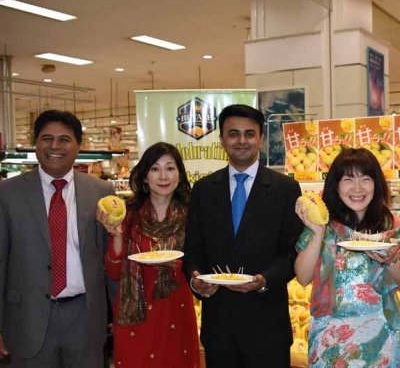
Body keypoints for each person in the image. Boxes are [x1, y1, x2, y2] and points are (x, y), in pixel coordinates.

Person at [183, 104, 303, 367]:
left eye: (249, 134)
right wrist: (195, 280)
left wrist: (264, 279)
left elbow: (292, 251)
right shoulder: (203, 190)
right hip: (219, 327)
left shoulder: (286, 189)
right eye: (233, 134)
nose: (242, 141)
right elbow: (192, 249)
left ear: (260, 138)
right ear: (222, 139)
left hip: (268, 326)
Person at [0, 110, 114, 367]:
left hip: (85, 317)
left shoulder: (101, 191)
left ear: (78, 145)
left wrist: (118, 313)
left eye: (64, 139)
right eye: (47, 138)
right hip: (27, 318)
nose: (55, 146)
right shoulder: (7, 194)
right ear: (35, 142)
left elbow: (110, 258)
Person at [294, 148, 400, 367]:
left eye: (366, 179)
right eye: (348, 179)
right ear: (336, 186)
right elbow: (302, 277)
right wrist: (318, 232)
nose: (358, 188)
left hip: (380, 335)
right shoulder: (322, 224)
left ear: (377, 185)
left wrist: (390, 260)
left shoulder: (395, 227)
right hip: (330, 335)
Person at [97, 142, 199, 367]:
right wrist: (116, 235)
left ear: (180, 175)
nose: (163, 176)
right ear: (144, 177)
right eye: (155, 168)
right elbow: (114, 272)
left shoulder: (193, 216)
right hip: (136, 315)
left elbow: (201, 264)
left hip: (176, 309)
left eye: (170, 168)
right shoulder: (128, 215)